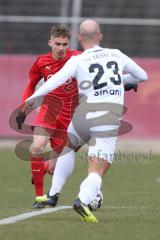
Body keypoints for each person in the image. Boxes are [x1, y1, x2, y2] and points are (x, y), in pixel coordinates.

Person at [26, 19, 148, 222]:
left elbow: (55, 81)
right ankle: (82, 200)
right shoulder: (116, 54)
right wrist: (122, 81)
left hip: (82, 116)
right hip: (106, 118)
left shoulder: (77, 60)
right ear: (100, 36)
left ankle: (53, 194)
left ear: (79, 38)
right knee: (97, 167)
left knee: (67, 149)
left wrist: (30, 101)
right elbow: (141, 75)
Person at [21, 25, 80, 209]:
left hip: (70, 116)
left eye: (64, 44)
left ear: (69, 44)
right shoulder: (41, 62)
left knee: (54, 169)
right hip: (49, 110)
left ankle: (42, 169)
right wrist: (24, 106)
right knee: (37, 146)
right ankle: (39, 196)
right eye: (57, 44)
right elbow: (31, 85)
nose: (61, 48)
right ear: (50, 42)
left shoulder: (78, 58)